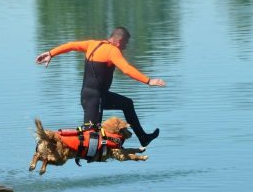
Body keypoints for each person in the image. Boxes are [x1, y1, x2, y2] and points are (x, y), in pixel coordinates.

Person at [35, 27, 166, 147]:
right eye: (125, 44)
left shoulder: (92, 44)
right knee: (90, 137)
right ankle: (54, 146)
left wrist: (51, 53)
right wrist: (148, 81)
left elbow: (71, 46)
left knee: (127, 104)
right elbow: (126, 69)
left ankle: (143, 138)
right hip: (95, 100)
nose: (125, 48)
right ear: (120, 41)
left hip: (93, 96)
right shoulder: (113, 51)